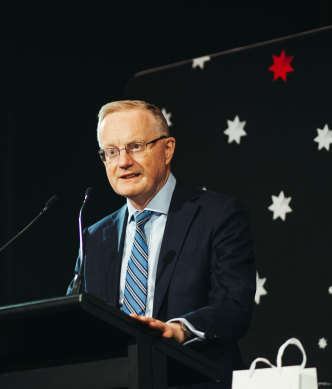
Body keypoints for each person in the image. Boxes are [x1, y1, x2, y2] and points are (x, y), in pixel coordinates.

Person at [67, 100, 256, 388]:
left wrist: (179, 330)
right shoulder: (94, 237)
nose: (123, 162)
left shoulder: (219, 215)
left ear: (167, 149)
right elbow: (73, 319)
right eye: (111, 152)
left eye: (136, 146)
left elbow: (234, 306)